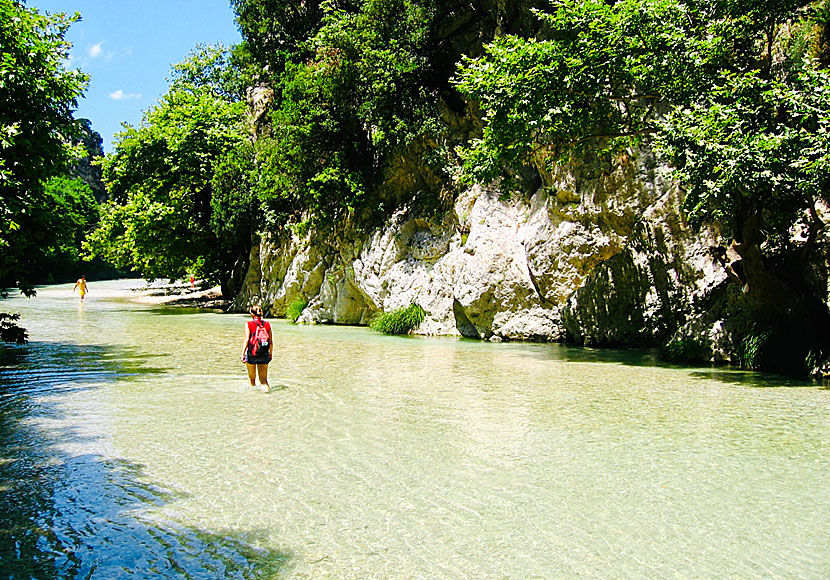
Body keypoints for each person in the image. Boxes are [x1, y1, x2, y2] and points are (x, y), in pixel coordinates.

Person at [241, 304, 273, 392]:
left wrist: (242, 353)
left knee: (252, 380)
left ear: (251, 313)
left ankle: (253, 399)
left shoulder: (248, 324)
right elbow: (270, 341)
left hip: (252, 353)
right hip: (264, 353)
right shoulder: (267, 324)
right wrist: (270, 353)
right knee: (264, 381)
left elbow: (246, 339)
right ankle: (266, 394)